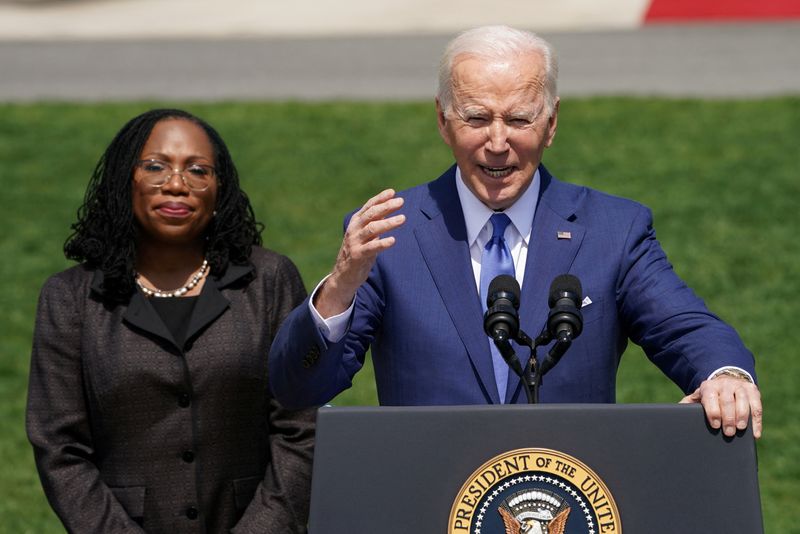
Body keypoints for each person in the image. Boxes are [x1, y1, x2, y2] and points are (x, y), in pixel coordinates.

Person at [268, 26, 762, 439]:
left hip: (572, 503)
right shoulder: (389, 235)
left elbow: (687, 327)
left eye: (520, 119)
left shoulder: (613, 230)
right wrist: (339, 287)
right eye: (477, 118)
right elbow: (299, 388)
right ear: (443, 120)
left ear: (551, 123)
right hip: (431, 504)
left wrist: (726, 375)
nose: (498, 143)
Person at [27, 108, 315, 533]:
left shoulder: (269, 281)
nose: (177, 184)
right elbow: (60, 448)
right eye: (156, 166)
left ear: (220, 190)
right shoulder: (70, 298)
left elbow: (300, 429)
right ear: (125, 180)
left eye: (198, 170)